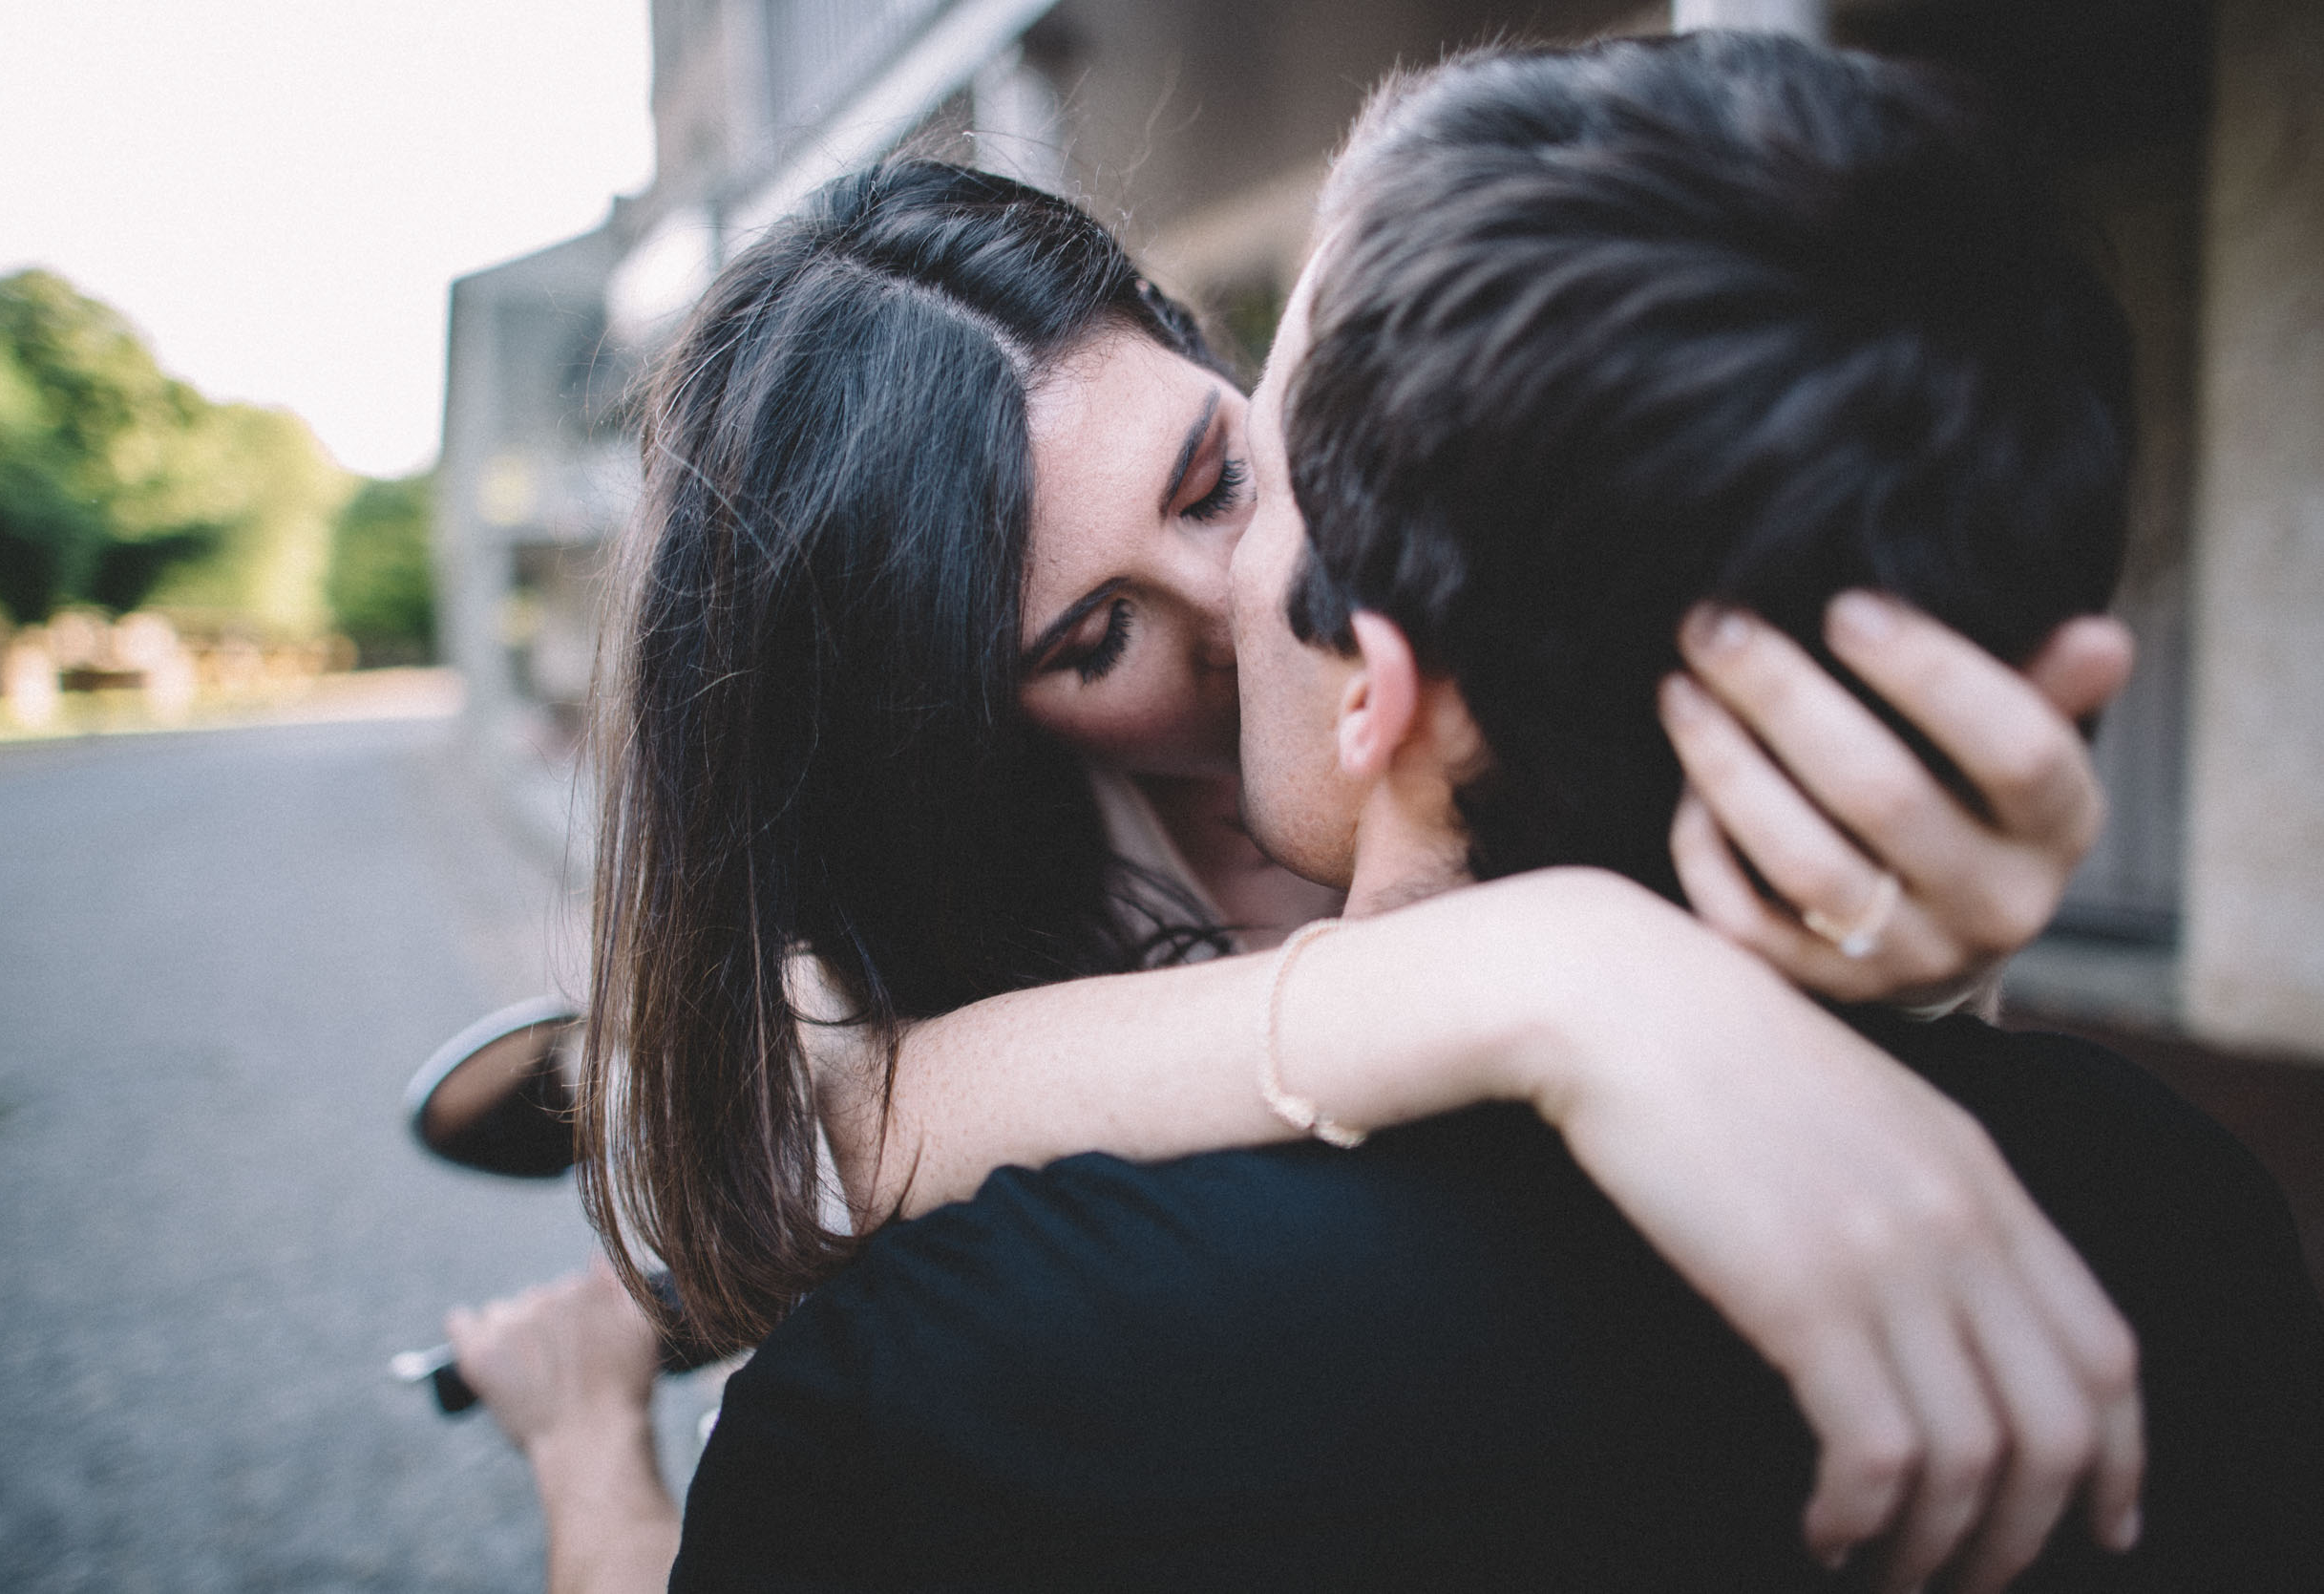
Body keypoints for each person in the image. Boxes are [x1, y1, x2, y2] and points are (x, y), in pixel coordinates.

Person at [454, 53, 2156, 1591]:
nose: (1251, 599)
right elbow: (848, 1109)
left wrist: (1885, 952)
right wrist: (1562, 974)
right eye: (1092, 639)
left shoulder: (1499, 606)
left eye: (1219, 480)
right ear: (950, 731)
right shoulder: (892, 1023)